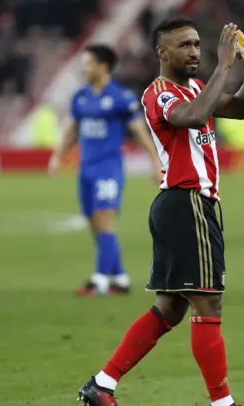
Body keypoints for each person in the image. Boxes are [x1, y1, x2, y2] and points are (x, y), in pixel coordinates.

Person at [76, 18, 244, 406]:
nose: (195, 51)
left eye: (198, 44)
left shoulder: (198, 87)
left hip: (189, 207)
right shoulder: (159, 94)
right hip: (185, 204)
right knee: (208, 301)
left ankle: (102, 384)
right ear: (162, 53)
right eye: (184, 45)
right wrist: (224, 64)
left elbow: (240, 107)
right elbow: (195, 118)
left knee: (169, 309)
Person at [48, 44, 160, 297]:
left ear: (103, 66)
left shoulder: (121, 97)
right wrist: (58, 156)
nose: (84, 68)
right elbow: (73, 130)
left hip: (108, 169)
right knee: (95, 225)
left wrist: (156, 164)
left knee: (105, 222)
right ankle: (119, 277)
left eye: (88, 63)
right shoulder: (81, 97)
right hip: (85, 170)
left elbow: (140, 133)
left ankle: (99, 281)